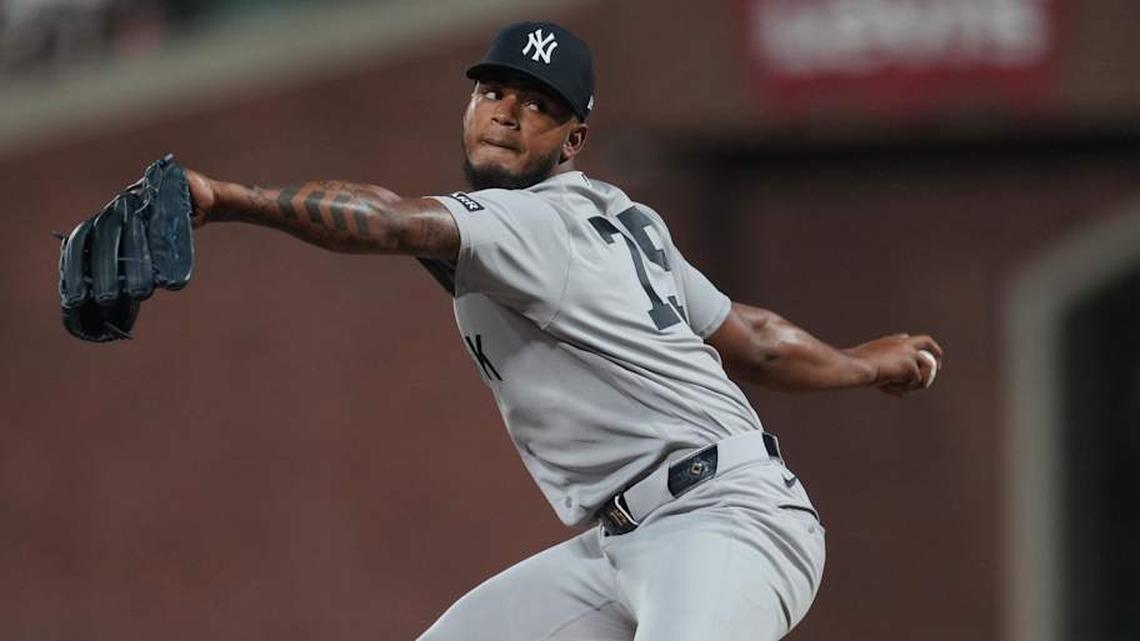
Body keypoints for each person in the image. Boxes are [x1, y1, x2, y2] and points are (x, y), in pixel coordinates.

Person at [183, 21, 942, 641]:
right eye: (494, 90)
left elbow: (386, 221)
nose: (508, 111)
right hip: (626, 541)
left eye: (538, 104)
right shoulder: (617, 214)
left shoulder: (535, 222)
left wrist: (223, 196)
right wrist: (863, 366)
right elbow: (754, 337)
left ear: (572, 140)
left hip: (727, 526)